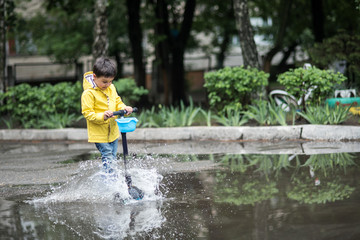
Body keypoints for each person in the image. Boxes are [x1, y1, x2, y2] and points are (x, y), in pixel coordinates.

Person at [81, 57, 133, 174]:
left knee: (112, 159)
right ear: (94, 76)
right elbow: (87, 113)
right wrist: (102, 116)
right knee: (108, 157)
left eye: (111, 81)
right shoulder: (88, 93)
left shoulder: (111, 88)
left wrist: (124, 108)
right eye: (105, 81)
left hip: (113, 131)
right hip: (99, 134)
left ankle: (107, 181)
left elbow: (117, 101)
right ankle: (110, 184)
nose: (108, 84)